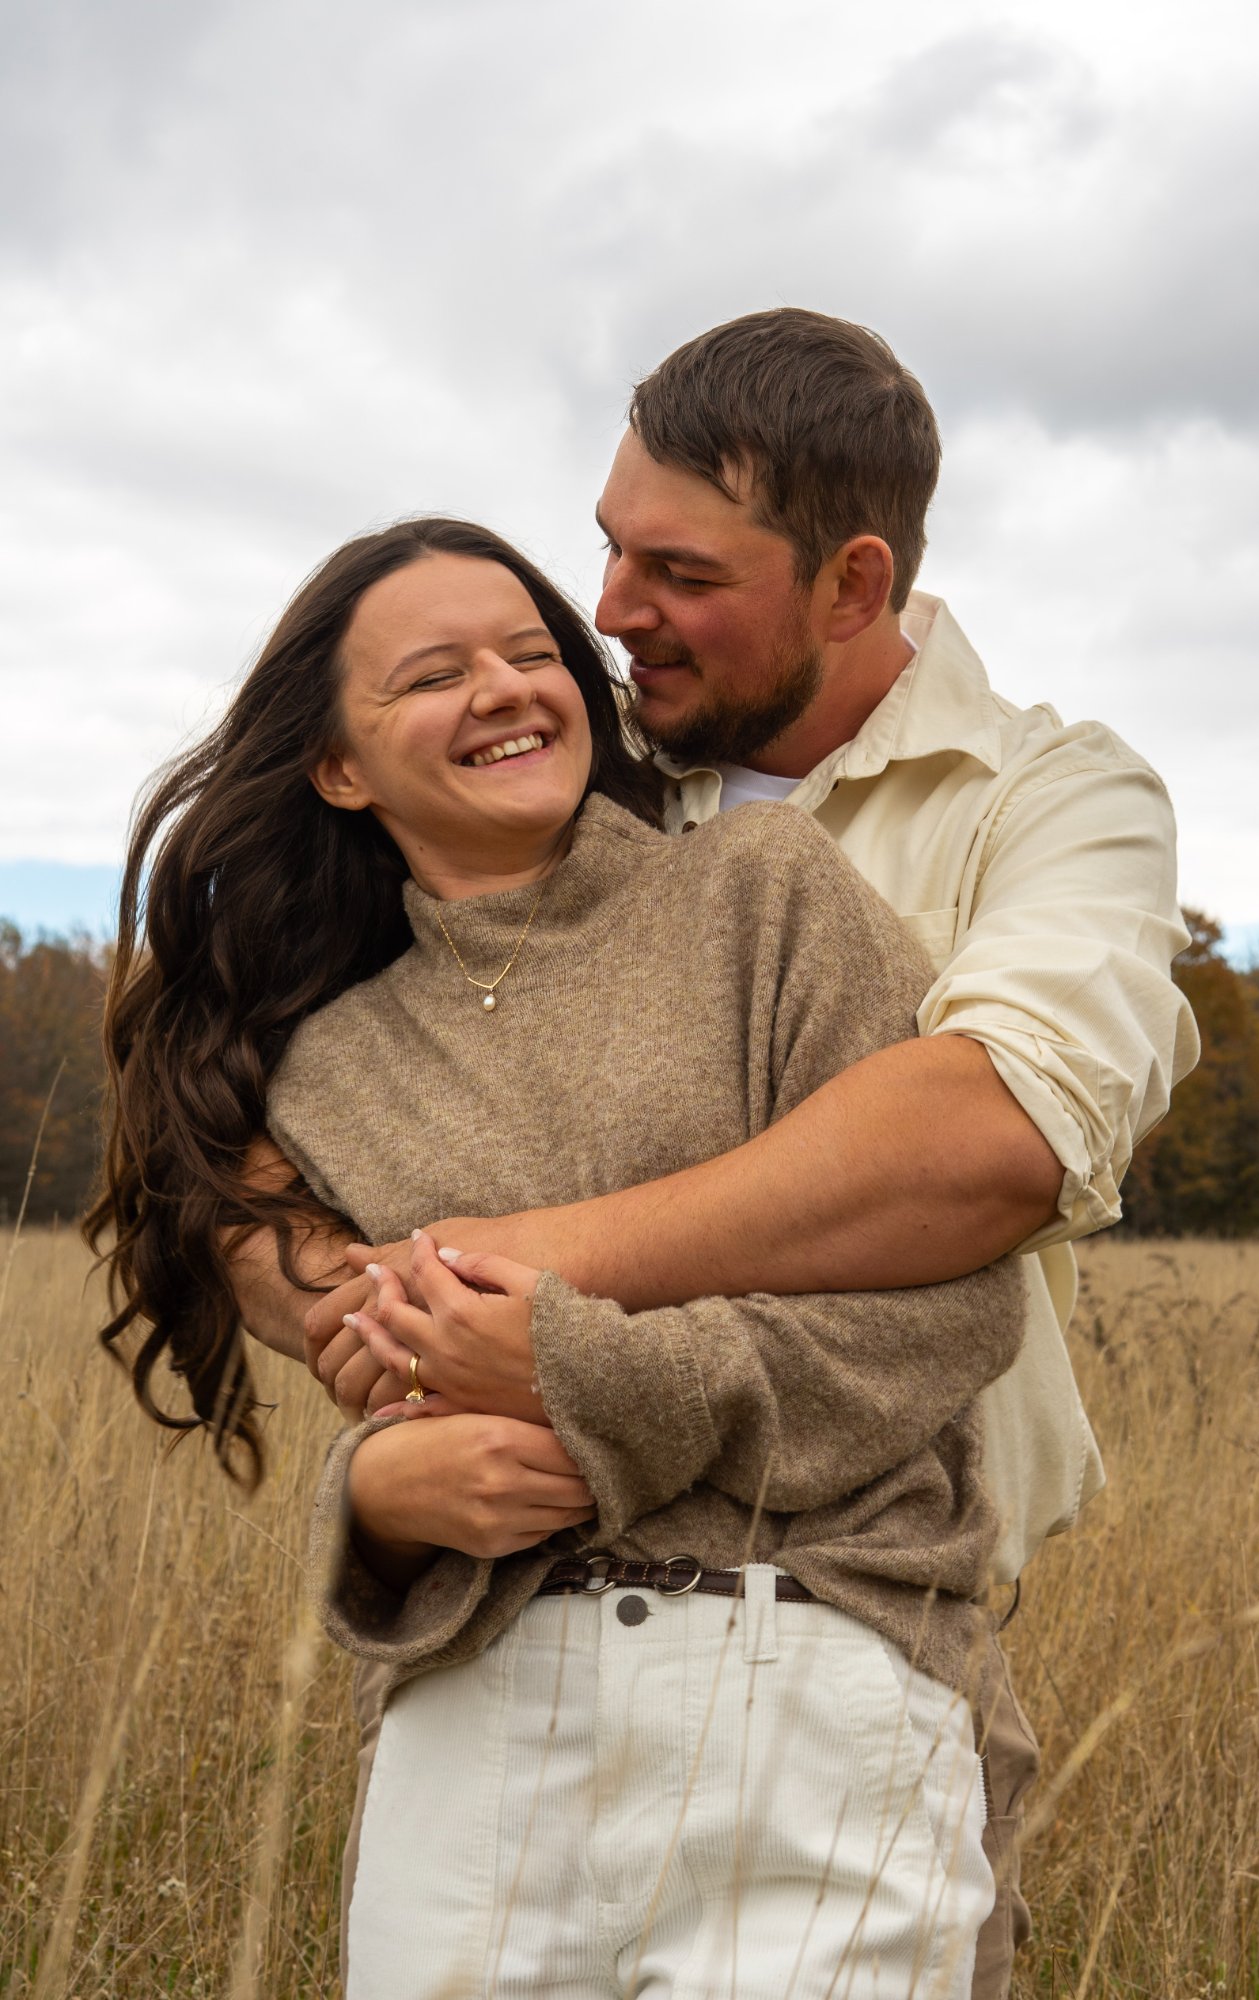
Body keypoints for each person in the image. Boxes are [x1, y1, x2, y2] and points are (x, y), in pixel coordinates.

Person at [237, 310, 1200, 2000]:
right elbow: (250, 1147)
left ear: (850, 581)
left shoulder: (1048, 798)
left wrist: (515, 1283)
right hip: (510, 1638)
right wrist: (370, 1424)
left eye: (675, 570)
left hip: (853, 1608)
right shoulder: (555, 779)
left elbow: (982, 1144)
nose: (606, 612)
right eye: (606, 548)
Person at [91, 516, 1028, 1997]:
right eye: (435, 674)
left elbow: (951, 1314)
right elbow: (392, 1389)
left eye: (533, 654)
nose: (506, 689)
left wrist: (583, 1377)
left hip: (800, 1678)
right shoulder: (320, 1073)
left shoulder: (761, 897)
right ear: (338, 764)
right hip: (475, 1737)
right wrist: (377, 1504)